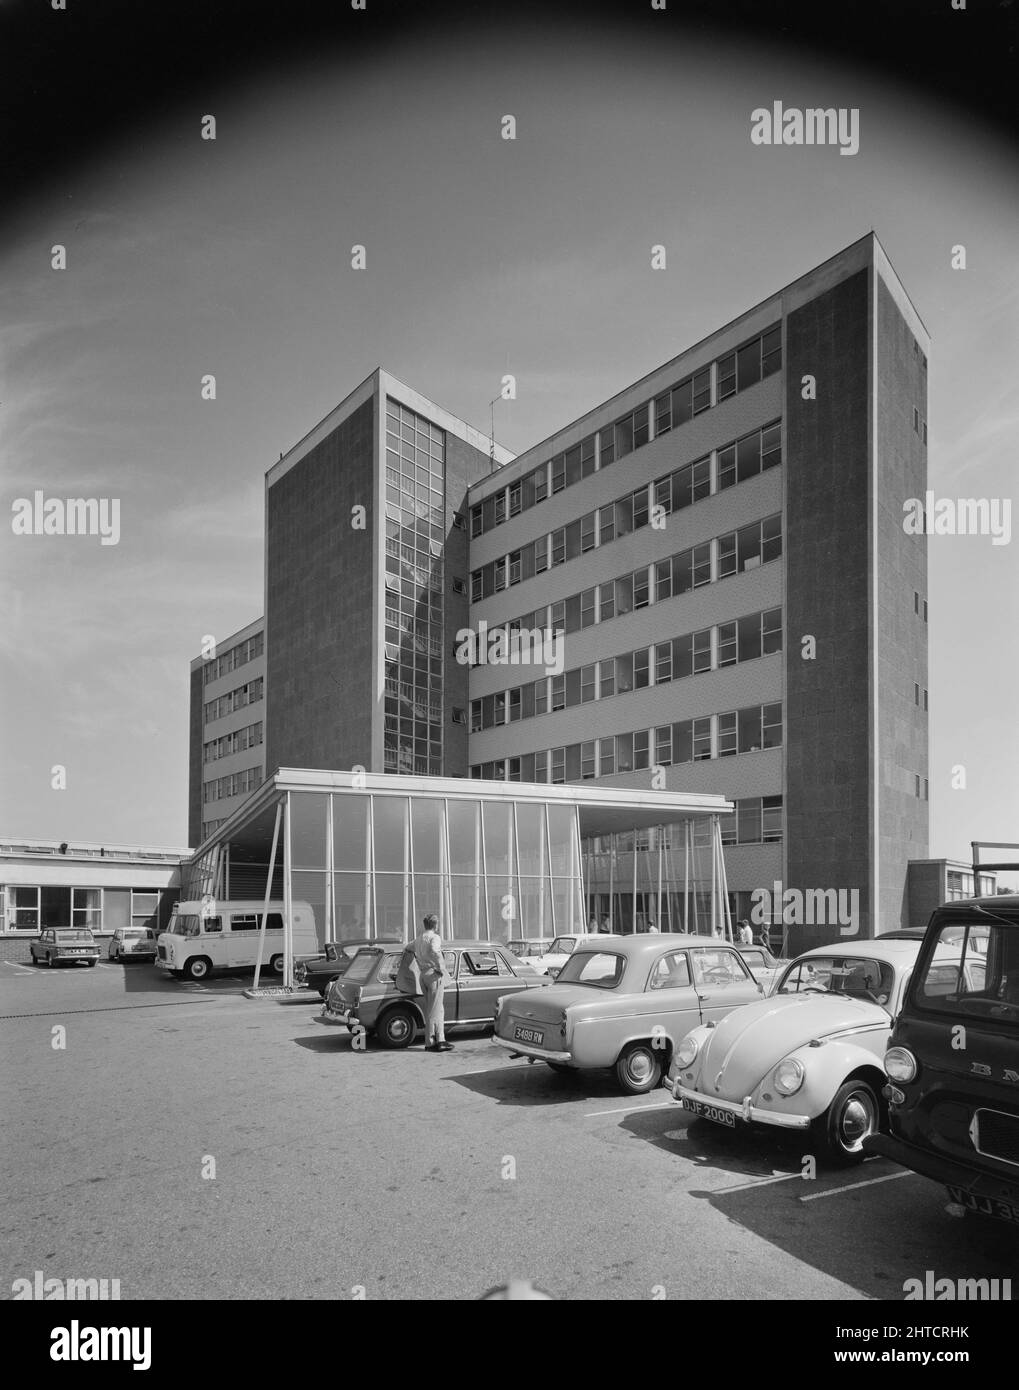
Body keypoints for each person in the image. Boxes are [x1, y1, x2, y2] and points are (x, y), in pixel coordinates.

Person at [413, 913, 452, 1051]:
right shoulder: (435, 937)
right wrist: (441, 968)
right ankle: (431, 1042)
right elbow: (435, 951)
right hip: (433, 974)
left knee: (437, 1008)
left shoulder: (418, 939)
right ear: (435, 925)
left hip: (423, 974)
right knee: (433, 1010)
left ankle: (440, 1038)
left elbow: (408, 949)